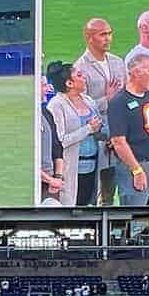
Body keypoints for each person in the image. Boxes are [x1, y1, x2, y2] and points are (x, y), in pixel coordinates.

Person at [107, 49, 149, 206]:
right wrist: (136, 170)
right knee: (135, 221)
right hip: (137, 166)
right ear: (136, 72)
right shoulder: (119, 102)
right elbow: (118, 142)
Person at [73, 17, 125, 206]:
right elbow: (81, 105)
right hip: (97, 138)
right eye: (103, 34)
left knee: (118, 187)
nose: (108, 38)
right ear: (89, 37)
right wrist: (107, 100)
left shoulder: (118, 62)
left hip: (119, 135)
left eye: (109, 33)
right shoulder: (80, 68)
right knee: (97, 192)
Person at [39, 61, 101, 206]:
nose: (84, 77)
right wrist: (88, 129)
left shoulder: (89, 101)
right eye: (79, 75)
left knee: (89, 204)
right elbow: (60, 141)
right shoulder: (57, 105)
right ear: (69, 83)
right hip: (70, 168)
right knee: (72, 207)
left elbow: (98, 126)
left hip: (93, 165)